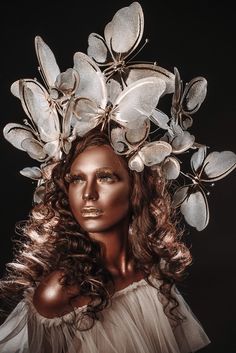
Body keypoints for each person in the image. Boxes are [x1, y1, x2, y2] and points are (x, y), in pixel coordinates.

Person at [0, 2, 235, 352]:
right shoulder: (59, 294)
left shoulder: (150, 275)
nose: (87, 194)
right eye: (77, 179)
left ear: (137, 188)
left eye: (106, 177)